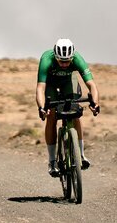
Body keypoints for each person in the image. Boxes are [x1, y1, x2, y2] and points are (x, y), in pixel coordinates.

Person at [36, 38, 100, 177]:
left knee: (75, 113)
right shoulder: (46, 59)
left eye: (67, 61)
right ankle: (52, 161)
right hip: (50, 84)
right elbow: (40, 88)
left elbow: (91, 85)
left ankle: (81, 155)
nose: (64, 64)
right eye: (61, 61)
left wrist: (95, 103)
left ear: (72, 57)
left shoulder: (78, 59)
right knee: (51, 116)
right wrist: (42, 107)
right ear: (55, 56)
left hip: (68, 83)